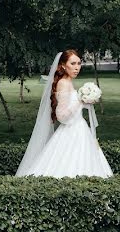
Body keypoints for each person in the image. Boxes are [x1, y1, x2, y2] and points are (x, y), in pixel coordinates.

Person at [15, 50, 112, 178]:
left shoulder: (68, 81)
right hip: (71, 131)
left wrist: (85, 101)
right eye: (73, 63)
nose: (77, 67)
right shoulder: (63, 83)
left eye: (79, 63)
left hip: (80, 128)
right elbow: (61, 116)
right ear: (63, 65)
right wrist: (80, 100)